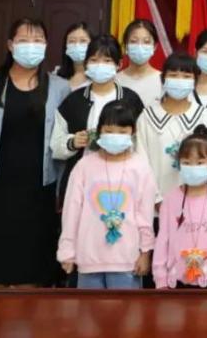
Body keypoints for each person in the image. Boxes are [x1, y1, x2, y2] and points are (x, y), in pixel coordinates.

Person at [0, 17, 71, 288]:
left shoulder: (60, 88)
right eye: (23, 40)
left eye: (38, 40)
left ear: (46, 45)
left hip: (39, 190)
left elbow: (64, 142)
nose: (31, 46)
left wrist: (62, 190)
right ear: (10, 45)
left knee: (31, 271)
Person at [57, 100, 157, 289]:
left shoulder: (141, 168)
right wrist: (67, 250)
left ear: (133, 132)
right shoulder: (84, 166)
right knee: (89, 308)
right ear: (99, 131)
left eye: (122, 131)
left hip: (127, 261)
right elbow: (72, 211)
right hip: (89, 259)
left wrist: (145, 252)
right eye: (109, 131)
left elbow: (145, 215)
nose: (115, 136)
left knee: (126, 308)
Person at [50, 35, 144, 206]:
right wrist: (72, 142)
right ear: (86, 64)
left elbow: (142, 144)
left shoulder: (131, 100)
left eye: (107, 60)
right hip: (82, 182)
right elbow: (55, 146)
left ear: (118, 64)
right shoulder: (73, 100)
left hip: (123, 183)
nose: (100, 65)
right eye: (94, 60)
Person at [153, 125, 207, 289]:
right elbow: (162, 240)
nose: (193, 167)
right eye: (187, 162)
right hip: (176, 280)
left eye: (200, 162)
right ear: (179, 164)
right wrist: (160, 277)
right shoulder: (170, 199)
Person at [135, 52, 207, 198]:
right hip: (153, 201)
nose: (179, 81)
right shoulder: (147, 117)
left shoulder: (203, 116)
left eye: (186, 76)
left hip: (194, 201)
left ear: (195, 81)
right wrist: (155, 198)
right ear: (163, 79)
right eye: (173, 75)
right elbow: (140, 162)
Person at [116, 19, 163, 107]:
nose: (140, 46)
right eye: (134, 41)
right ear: (126, 46)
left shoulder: (163, 81)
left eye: (146, 42)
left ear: (154, 47)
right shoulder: (115, 80)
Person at [55, 21, 93, 90]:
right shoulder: (56, 75)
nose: (77, 45)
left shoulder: (99, 77)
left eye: (83, 41)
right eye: (72, 41)